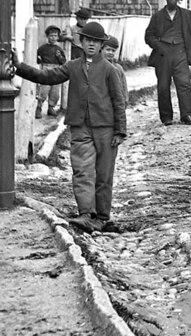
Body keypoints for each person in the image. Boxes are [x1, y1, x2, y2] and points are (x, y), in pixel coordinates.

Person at [13, 21, 126, 234]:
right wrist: (19, 66)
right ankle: (85, 214)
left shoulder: (110, 70)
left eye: (96, 41)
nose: (91, 44)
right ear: (81, 41)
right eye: (88, 40)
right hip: (80, 127)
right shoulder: (72, 66)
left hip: (106, 129)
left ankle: (102, 217)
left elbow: (119, 101)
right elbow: (46, 77)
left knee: (104, 174)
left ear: (102, 45)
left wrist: (120, 130)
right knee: (82, 170)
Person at [35, 24, 67, 118]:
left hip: (57, 70)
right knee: (44, 90)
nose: (53, 38)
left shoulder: (59, 49)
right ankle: (39, 108)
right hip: (46, 70)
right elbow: (36, 57)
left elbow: (63, 62)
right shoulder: (42, 48)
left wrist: (59, 56)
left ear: (58, 37)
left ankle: (51, 108)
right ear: (47, 36)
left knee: (55, 91)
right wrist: (39, 60)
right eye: (51, 35)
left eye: (55, 36)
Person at [103, 35, 128, 105]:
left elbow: (124, 85)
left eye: (113, 51)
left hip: (116, 102)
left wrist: (125, 100)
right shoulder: (96, 67)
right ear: (101, 49)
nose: (110, 52)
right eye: (108, 49)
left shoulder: (118, 68)